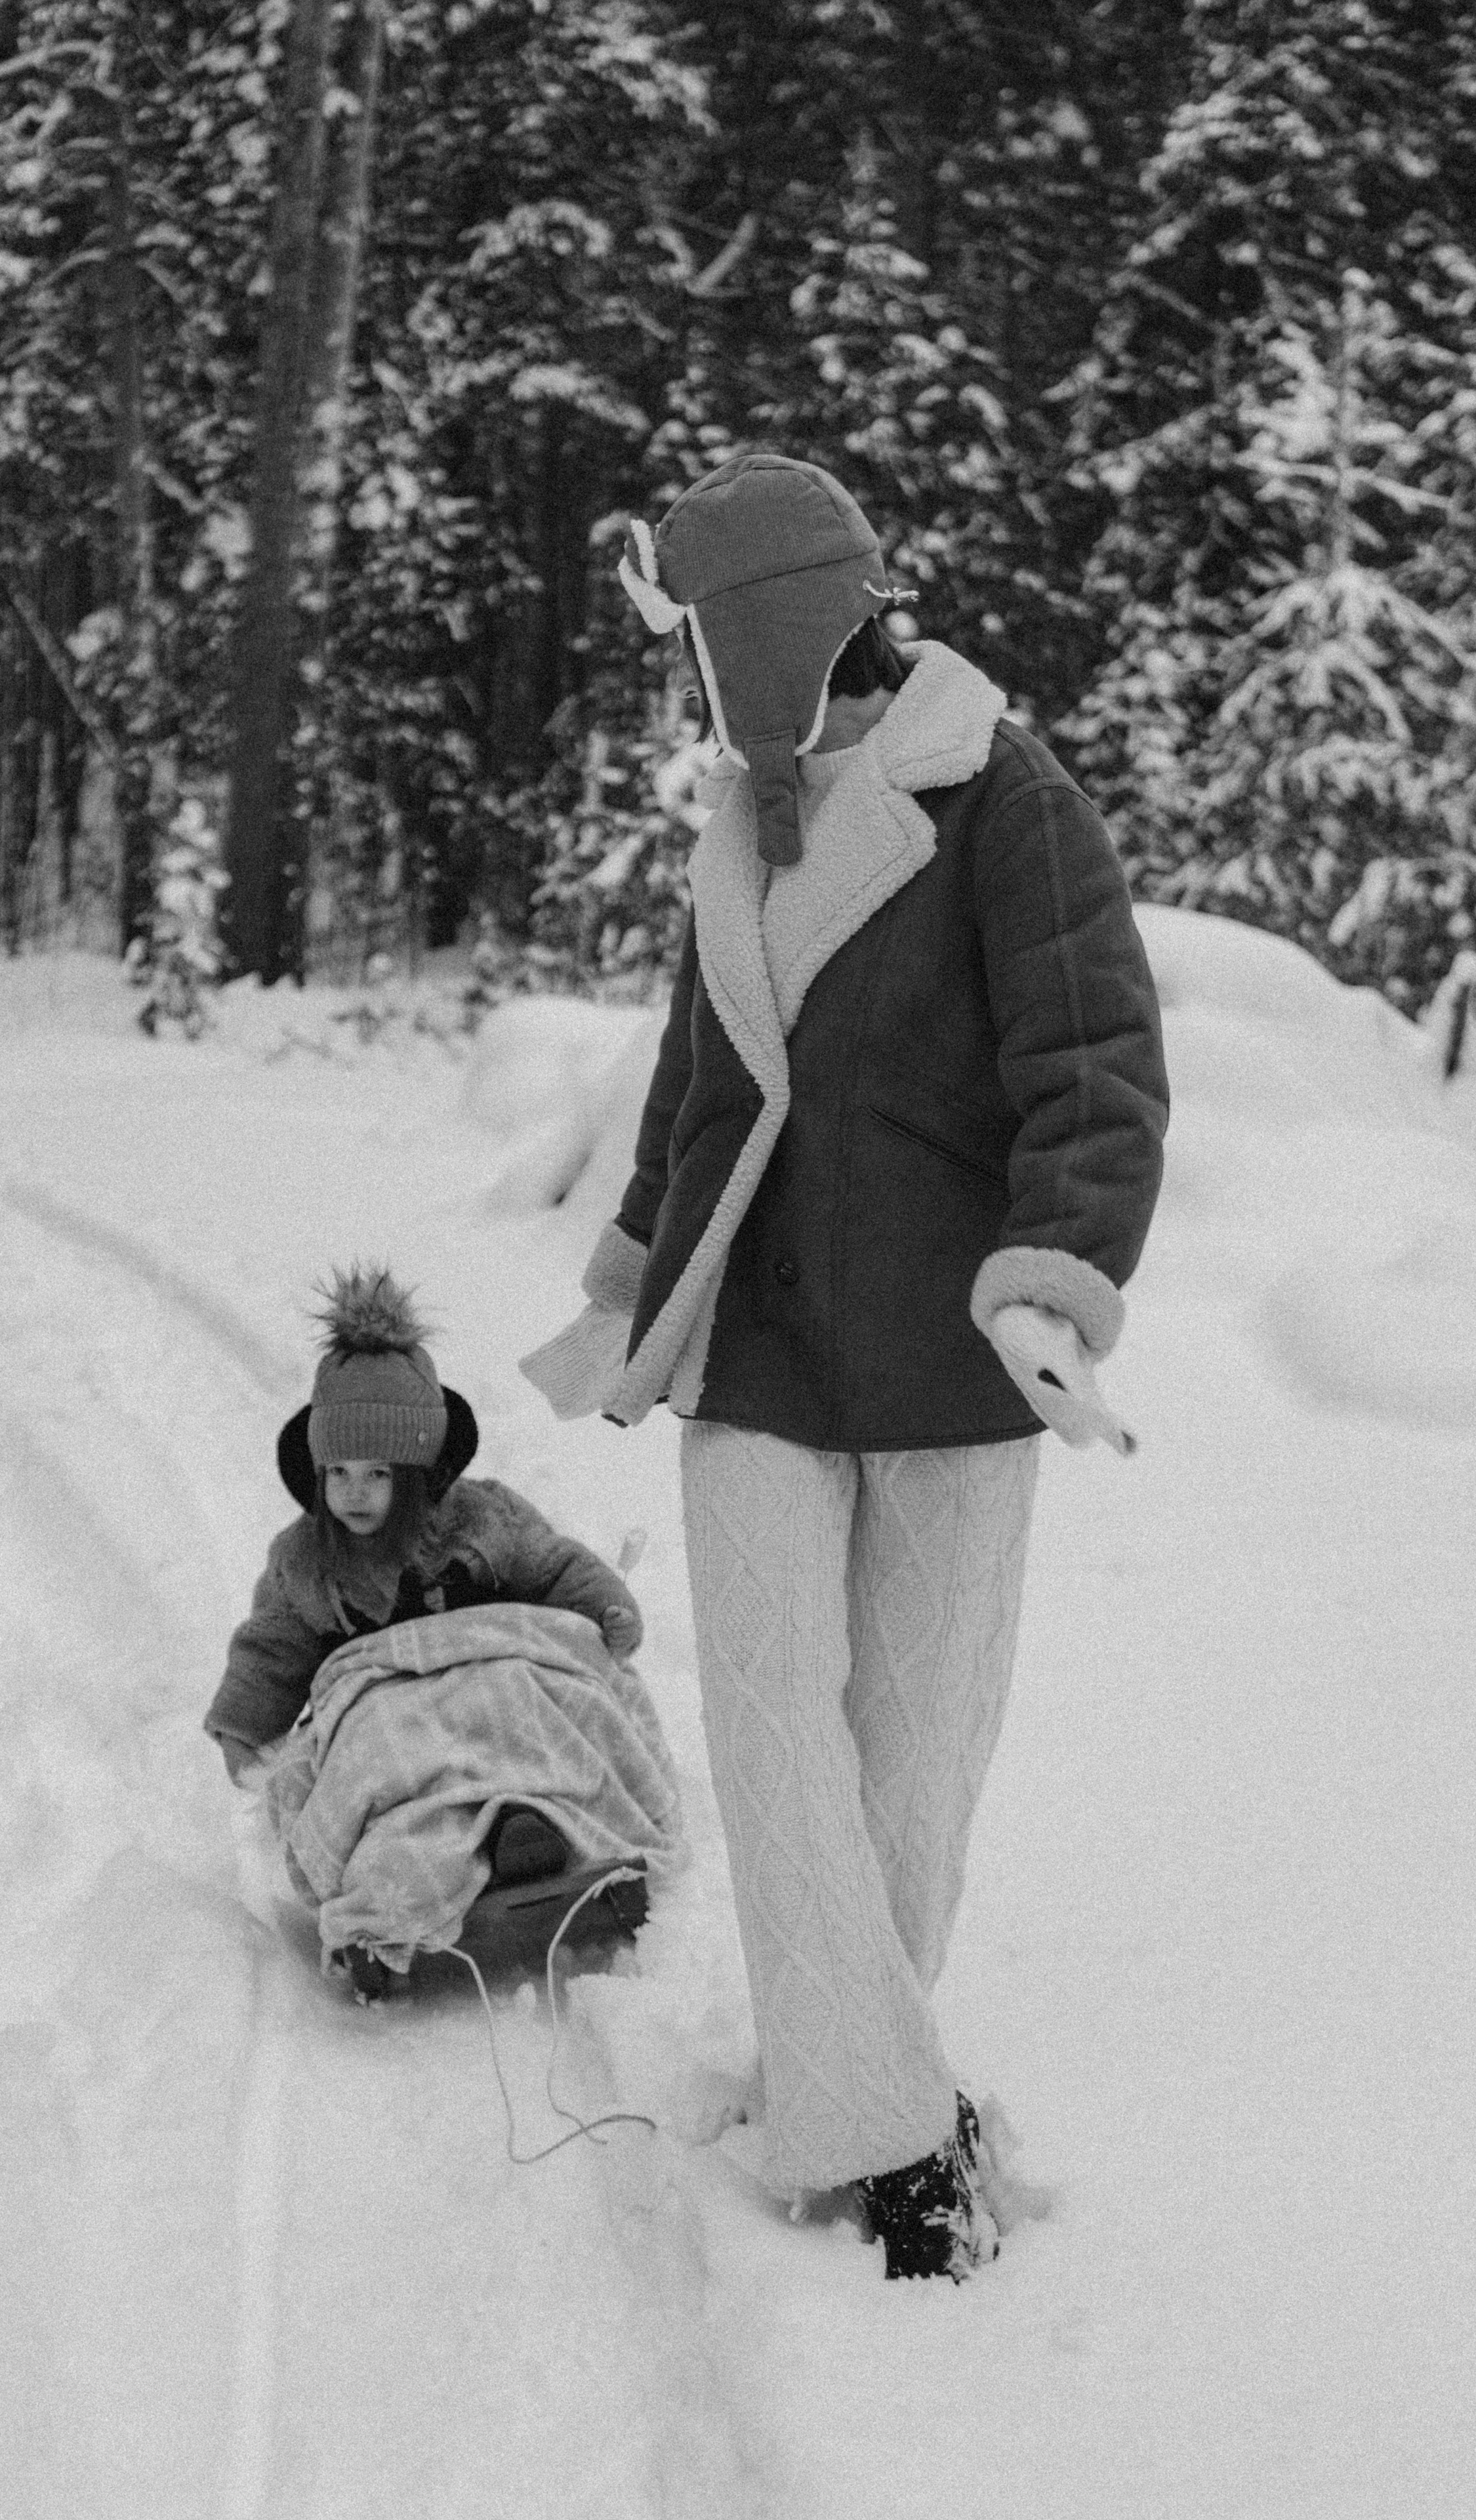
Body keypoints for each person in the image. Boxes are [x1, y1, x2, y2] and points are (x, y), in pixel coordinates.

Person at [523, 451, 1168, 2281]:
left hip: (960, 1363)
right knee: (771, 1731)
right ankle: (893, 2126)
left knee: (914, 1746)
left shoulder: (1006, 800)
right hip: (768, 1349)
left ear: (774, 633)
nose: (686, 698)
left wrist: (1059, 1272)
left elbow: (1096, 1060)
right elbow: (699, 1077)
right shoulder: (745, 815)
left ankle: (851, 2068)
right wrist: (637, 1263)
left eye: (698, 651)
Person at [207, 1264, 645, 1895]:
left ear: (415, 1476)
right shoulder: (307, 1558)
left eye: (379, 1475)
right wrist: (247, 1723)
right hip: (386, 1722)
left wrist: (602, 1606)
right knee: (377, 1755)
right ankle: (394, 1871)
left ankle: (533, 1827)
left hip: (486, 1705)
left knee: (529, 1701)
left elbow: (550, 1565)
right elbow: (273, 1645)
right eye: (340, 1474)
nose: (354, 1493)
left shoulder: (480, 1518)